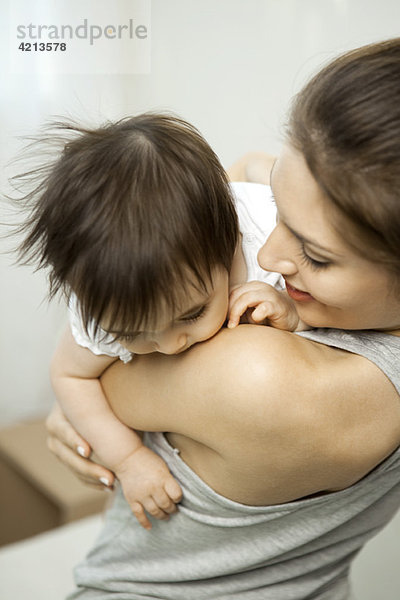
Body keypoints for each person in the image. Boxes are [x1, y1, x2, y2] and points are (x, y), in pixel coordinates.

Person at [46, 38, 400, 599]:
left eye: (316, 255)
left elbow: (86, 385)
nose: (265, 258)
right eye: (276, 211)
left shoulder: (271, 382)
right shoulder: (253, 242)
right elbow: (240, 181)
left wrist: (88, 418)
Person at [15, 113, 300, 529]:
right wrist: (129, 459)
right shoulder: (99, 304)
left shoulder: (268, 238)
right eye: (131, 333)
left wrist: (290, 311)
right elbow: (71, 377)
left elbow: (337, 315)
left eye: (192, 314)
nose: (169, 346)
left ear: (231, 244)